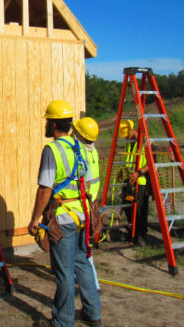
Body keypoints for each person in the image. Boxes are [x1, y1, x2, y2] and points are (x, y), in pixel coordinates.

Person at [28, 101, 101, 327]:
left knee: (64, 272)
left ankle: (62, 321)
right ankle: (93, 314)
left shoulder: (52, 150)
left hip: (63, 218)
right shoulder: (79, 147)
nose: (46, 124)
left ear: (54, 123)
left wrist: (34, 220)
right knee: (82, 263)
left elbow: (45, 189)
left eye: (48, 121)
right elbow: (87, 183)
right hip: (81, 216)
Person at [72, 116, 101, 293]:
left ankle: (93, 285)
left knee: (82, 249)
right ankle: (87, 281)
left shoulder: (80, 152)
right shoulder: (93, 151)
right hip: (92, 202)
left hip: (83, 203)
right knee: (83, 246)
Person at [117, 119, 150, 244]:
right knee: (127, 205)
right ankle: (133, 231)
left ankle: (141, 234)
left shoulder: (144, 142)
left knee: (140, 209)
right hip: (129, 180)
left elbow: (151, 163)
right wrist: (121, 170)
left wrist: (139, 173)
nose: (125, 137)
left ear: (133, 130)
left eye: (126, 134)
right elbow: (128, 159)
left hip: (140, 181)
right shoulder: (129, 142)